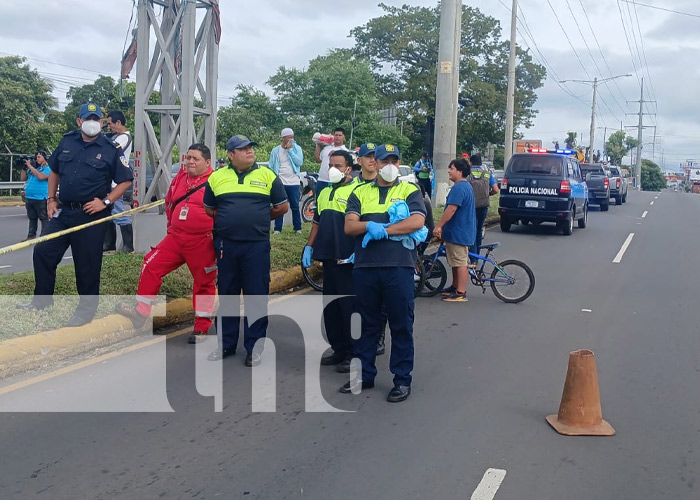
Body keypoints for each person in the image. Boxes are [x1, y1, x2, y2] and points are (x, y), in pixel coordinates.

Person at [16, 102, 133, 327]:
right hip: (64, 211)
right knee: (43, 251)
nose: (92, 123)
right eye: (87, 119)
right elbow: (55, 171)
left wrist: (106, 201)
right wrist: (50, 199)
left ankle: (86, 311)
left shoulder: (110, 148)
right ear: (79, 122)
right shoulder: (67, 141)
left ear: (101, 122)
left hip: (91, 215)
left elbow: (126, 180)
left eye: (96, 119)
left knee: (87, 265)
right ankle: (42, 301)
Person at [343, 144, 426, 403]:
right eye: (383, 160)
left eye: (394, 160)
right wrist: (369, 225)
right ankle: (364, 375)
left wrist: (385, 230)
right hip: (366, 267)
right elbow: (349, 226)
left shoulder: (409, 189)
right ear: (374, 163)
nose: (388, 164)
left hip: (399, 267)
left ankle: (402, 379)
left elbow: (417, 221)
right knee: (366, 324)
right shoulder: (360, 191)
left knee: (401, 324)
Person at [115, 143, 216, 344]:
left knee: (204, 283)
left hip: (203, 242)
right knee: (151, 264)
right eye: (188, 158)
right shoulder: (180, 177)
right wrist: (171, 226)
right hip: (176, 238)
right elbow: (170, 201)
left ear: (207, 162)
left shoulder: (216, 181)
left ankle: (202, 327)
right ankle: (141, 312)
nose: (190, 162)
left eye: (195, 159)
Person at [204, 135, 289, 366]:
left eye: (251, 147)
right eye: (243, 149)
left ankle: (255, 347)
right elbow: (210, 209)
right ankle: (226, 345)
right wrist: (229, 221)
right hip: (227, 245)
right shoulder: (217, 177)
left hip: (256, 245)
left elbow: (282, 207)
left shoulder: (267, 175)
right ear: (231, 155)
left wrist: (259, 218)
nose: (250, 151)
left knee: (256, 297)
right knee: (228, 295)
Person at [303, 150, 357, 373]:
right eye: (330, 165)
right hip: (328, 256)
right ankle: (339, 349)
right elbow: (317, 222)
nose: (333, 169)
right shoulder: (323, 191)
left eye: (338, 165)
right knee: (331, 307)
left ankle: (354, 353)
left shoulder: (358, 190)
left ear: (349, 168)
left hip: (349, 259)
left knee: (349, 307)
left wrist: (359, 251)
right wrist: (309, 246)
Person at [433, 158, 476, 303]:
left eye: (451, 168)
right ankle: (454, 286)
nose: (448, 171)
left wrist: (438, 226)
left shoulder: (459, 188)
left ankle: (460, 292)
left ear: (460, 171)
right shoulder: (465, 186)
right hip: (457, 231)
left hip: (459, 232)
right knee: (454, 262)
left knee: (460, 261)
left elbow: (451, 210)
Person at [103, 110, 134, 253]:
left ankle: (128, 247)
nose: (109, 127)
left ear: (119, 123)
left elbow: (109, 151)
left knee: (119, 213)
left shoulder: (124, 138)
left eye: (110, 124)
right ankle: (110, 246)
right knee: (108, 215)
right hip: (110, 182)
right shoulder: (116, 137)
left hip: (116, 184)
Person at [269, 127, 304, 234]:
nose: (291, 139)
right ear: (283, 138)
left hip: (293, 181)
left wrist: (290, 150)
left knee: (294, 205)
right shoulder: (276, 150)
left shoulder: (297, 148)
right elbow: (271, 165)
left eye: (292, 137)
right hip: (281, 181)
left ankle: (297, 228)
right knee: (280, 205)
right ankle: (277, 228)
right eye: (289, 137)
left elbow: (299, 163)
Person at [468, 155, 499, 259]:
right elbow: (495, 189)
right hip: (484, 206)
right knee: (478, 232)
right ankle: (477, 256)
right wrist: (487, 194)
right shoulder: (487, 174)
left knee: (472, 231)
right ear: (481, 163)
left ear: (470, 162)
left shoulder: (467, 173)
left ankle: (473, 259)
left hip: (472, 207)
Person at [20, 151, 51, 241]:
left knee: (43, 218)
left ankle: (44, 237)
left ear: (44, 158)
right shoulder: (33, 168)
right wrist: (24, 167)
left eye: (39, 157)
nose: (37, 158)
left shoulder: (47, 168)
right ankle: (31, 235)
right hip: (30, 197)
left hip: (41, 198)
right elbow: (23, 178)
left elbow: (41, 177)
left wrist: (30, 166)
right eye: (36, 157)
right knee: (32, 218)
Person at [314, 127, 348, 193]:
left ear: (344, 137)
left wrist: (335, 153)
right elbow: (318, 160)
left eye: (340, 135)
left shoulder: (345, 151)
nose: (338, 137)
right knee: (319, 202)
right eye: (336, 135)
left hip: (335, 182)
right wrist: (318, 144)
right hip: (322, 180)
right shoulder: (327, 148)